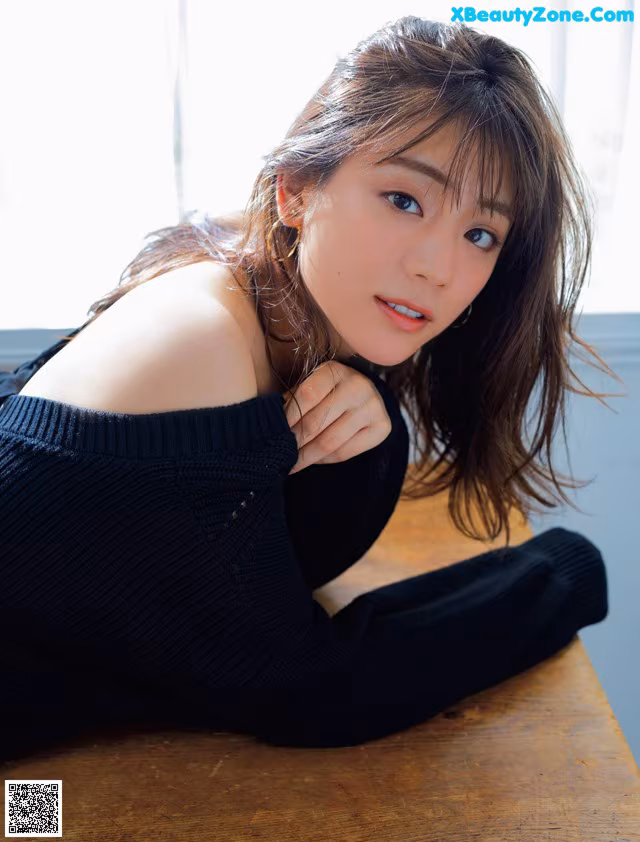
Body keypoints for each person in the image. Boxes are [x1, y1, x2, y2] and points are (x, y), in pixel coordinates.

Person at [0, 16, 619, 761]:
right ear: (296, 191)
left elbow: (266, 581)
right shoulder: (204, 339)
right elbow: (308, 690)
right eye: (404, 199)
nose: (438, 267)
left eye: (480, 234)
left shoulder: (278, 301)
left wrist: (371, 398)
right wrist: (563, 570)